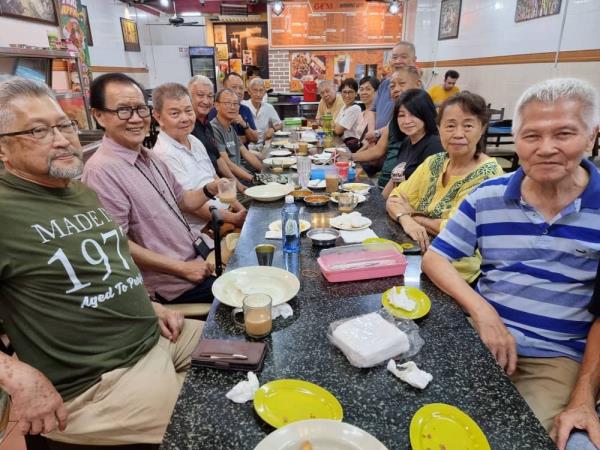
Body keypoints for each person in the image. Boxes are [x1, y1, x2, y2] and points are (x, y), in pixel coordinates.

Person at [0, 76, 201, 445]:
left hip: (157, 335)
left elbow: (110, 267)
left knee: (253, 350)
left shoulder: (77, 191)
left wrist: (150, 307)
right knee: (218, 424)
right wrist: (15, 375)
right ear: (2, 149)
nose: (61, 139)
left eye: (64, 125)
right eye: (38, 131)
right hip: (103, 380)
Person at [421, 78, 600, 450]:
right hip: (479, 338)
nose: (546, 148)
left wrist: (585, 394)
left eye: (564, 133)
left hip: (555, 358)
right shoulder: (488, 196)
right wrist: (482, 312)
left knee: (513, 440)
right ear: (516, 139)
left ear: (591, 135)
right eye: (532, 136)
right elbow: (435, 258)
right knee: (427, 420)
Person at [82, 73, 218, 304]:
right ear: (99, 116)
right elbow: (117, 243)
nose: (135, 119)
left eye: (140, 109)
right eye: (123, 110)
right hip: (174, 284)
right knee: (251, 298)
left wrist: (211, 188)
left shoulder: (149, 156)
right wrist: (182, 269)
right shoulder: (101, 171)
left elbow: (183, 200)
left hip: (198, 257)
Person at [387, 91, 503, 283]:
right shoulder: (434, 162)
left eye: (467, 125)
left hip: (456, 270)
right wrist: (405, 218)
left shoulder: (489, 175)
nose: (458, 134)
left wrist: (415, 215)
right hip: (417, 255)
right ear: (439, 128)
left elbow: (453, 229)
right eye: (450, 125)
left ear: (481, 128)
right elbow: (395, 197)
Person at [151, 82, 247, 235]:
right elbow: (192, 206)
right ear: (158, 117)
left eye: (188, 111)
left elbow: (216, 180)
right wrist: (235, 218)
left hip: (226, 211)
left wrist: (242, 211)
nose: (185, 118)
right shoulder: (164, 154)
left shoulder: (194, 140)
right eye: (175, 113)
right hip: (207, 227)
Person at [352, 66, 421, 177]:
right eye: (392, 86)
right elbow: (378, 150)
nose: (396, 89)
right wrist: (350, 156)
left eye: (402, 84)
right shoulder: (394, 121)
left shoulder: (423, 120)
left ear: (418, 84)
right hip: (387, 181)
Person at [380, 89, 445, 198]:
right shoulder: (406, 142)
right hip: (396, 204)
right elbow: (395, 180)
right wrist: (380, 202)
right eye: (401, 115)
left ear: (425, 114)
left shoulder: (435, 146)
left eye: (413, 114)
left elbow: (431, 194)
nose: (406, 121)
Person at [188, 75, 247, 193]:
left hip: (220, 186)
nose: (206, 101)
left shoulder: (206, 124)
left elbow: (218, 161)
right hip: (206, 193)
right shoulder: (188, 128)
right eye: (200, 95)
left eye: (209, 96)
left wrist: (237, 185)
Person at [211, 88, 262, 177]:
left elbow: (246, 153)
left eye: (235, 104)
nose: (232, 107)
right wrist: (254, 179)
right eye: (227, 103)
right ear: (216, 105)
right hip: (229, 182)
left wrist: (265, 171)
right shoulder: (214, 129)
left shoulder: (230, 128)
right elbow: (227, 164)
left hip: (241, 174)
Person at [370, 41, 417, 136]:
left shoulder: (416, 88)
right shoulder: (384, 83)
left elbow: (404, 122)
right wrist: (371, 132)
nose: (398, 61)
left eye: (403, 57)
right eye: (395, 57)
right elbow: (372, 111)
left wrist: (376, 133)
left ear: (413, 60)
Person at [209, 72, 258, 144]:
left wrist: (244, 124)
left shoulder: (245, 109)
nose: (238, 91)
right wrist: (245, 138)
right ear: (224, 88)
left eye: (241, 88)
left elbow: (255, 139)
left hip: (244, 153)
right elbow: (218, 141)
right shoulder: (216, 110)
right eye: (234, 87)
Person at [242, 77, 282, 143]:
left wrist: (273, 129)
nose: (258, 94)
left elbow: (280, 125)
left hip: (264, 144)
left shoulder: (268, 107)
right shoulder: (243, 105)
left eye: (261, 90)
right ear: (249, 91)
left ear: (264, 92)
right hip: (247, 146)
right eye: (255, 90)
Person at [333, 78, 367, 143]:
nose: (347, 95)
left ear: (356, 93)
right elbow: (334, 125)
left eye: (350, 92)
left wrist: (338, 126)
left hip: (351, 146)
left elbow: (337, 130)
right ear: (341, 93)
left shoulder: (355, 108)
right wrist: (337, 126)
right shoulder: (344, 107)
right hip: (342, 143)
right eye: (344, 92)